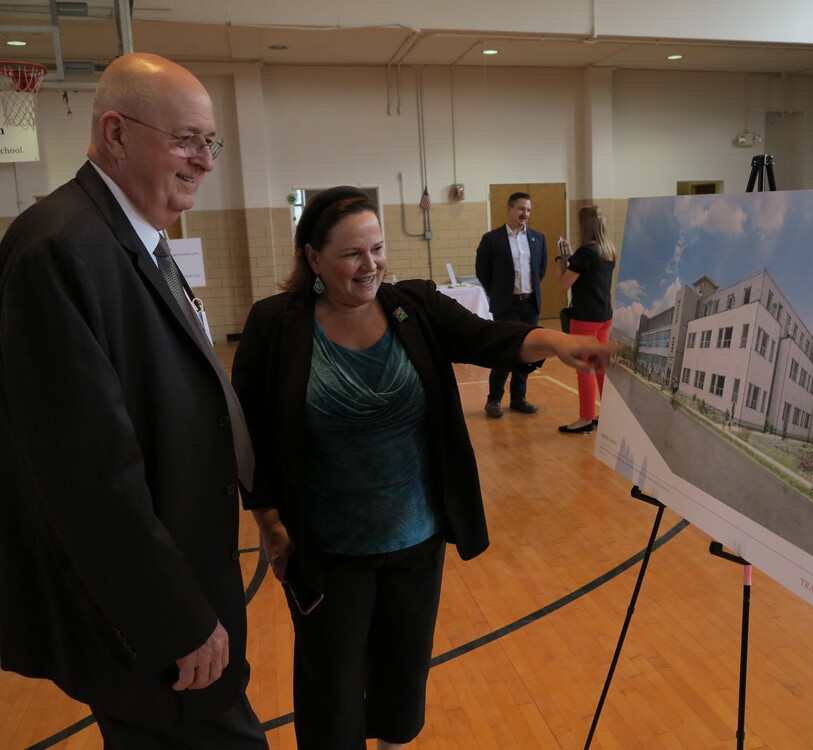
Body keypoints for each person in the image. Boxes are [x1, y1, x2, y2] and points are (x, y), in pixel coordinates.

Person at [231, 187, 609, 750]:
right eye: (352, 254)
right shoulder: (275, 325)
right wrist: (269, 523)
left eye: (378, 248)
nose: (371, 265)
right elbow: (248, 434)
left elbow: (488, 337)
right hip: (327, 550)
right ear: (312, 257)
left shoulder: (415, 306)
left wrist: (555, 340)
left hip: (415, 541)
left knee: (402, 678)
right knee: (331, 688)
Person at [0, 54, 266, 747]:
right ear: (115, 134)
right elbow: (87, 478)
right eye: (187, 139)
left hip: (183, 583)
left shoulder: (131, 239)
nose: (204, 161)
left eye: (211, 143)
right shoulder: (59, 249)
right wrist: (174, 617)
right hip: (151, 623)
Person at [475, 191, 547, 418]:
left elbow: (540, 269)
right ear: (509, 209)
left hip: (530, 305)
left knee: (528, 354)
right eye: (520, 209)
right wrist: (498, 293)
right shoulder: (492, 239)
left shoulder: (537, 238)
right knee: (504, 353)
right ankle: (493, 399)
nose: (525, 213)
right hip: (507, 306)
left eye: (528, 210)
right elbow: (482, 271)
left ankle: (518, 398)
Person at [554, 205, 616, 434]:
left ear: (584, 227)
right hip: (604, 315)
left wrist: (561, 259)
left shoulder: (585, 253)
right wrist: (572, 257)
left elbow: (563, 284)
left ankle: (586, 419)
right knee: (600, 366)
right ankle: (606, 413)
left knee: (585, 368)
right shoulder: (608, 251)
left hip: (585, 318)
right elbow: (587, 276)